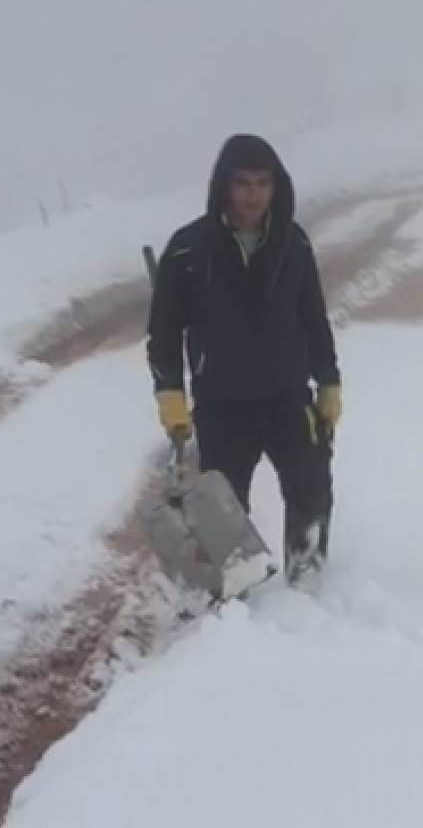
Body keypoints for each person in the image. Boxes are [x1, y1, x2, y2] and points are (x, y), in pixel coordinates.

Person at [146, 133, 341, 583]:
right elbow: (164, 334)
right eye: (242, 183)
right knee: (222, 506)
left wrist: (328, 381)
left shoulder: (293, 244)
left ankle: (307, 577)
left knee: (311, 489)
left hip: (288, 398)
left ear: (277, 187)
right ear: (223, 186)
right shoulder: (187, 250)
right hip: (222, 404)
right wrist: (170, 394)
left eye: (263, 183)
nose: (253, 195)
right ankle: (232, 594)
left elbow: (314, 318)